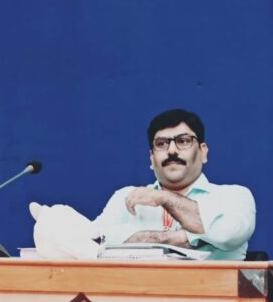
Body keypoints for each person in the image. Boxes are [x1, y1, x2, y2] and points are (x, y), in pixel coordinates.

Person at [93, 109, 256, 259]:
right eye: (161, 144)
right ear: (151, 158)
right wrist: (185, 238)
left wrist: (165, 198)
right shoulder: (126, 197)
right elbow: (91, 242)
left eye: (183, 141)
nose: (171, 150)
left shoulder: (234, 196)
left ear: (203, 152)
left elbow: (227, 236)